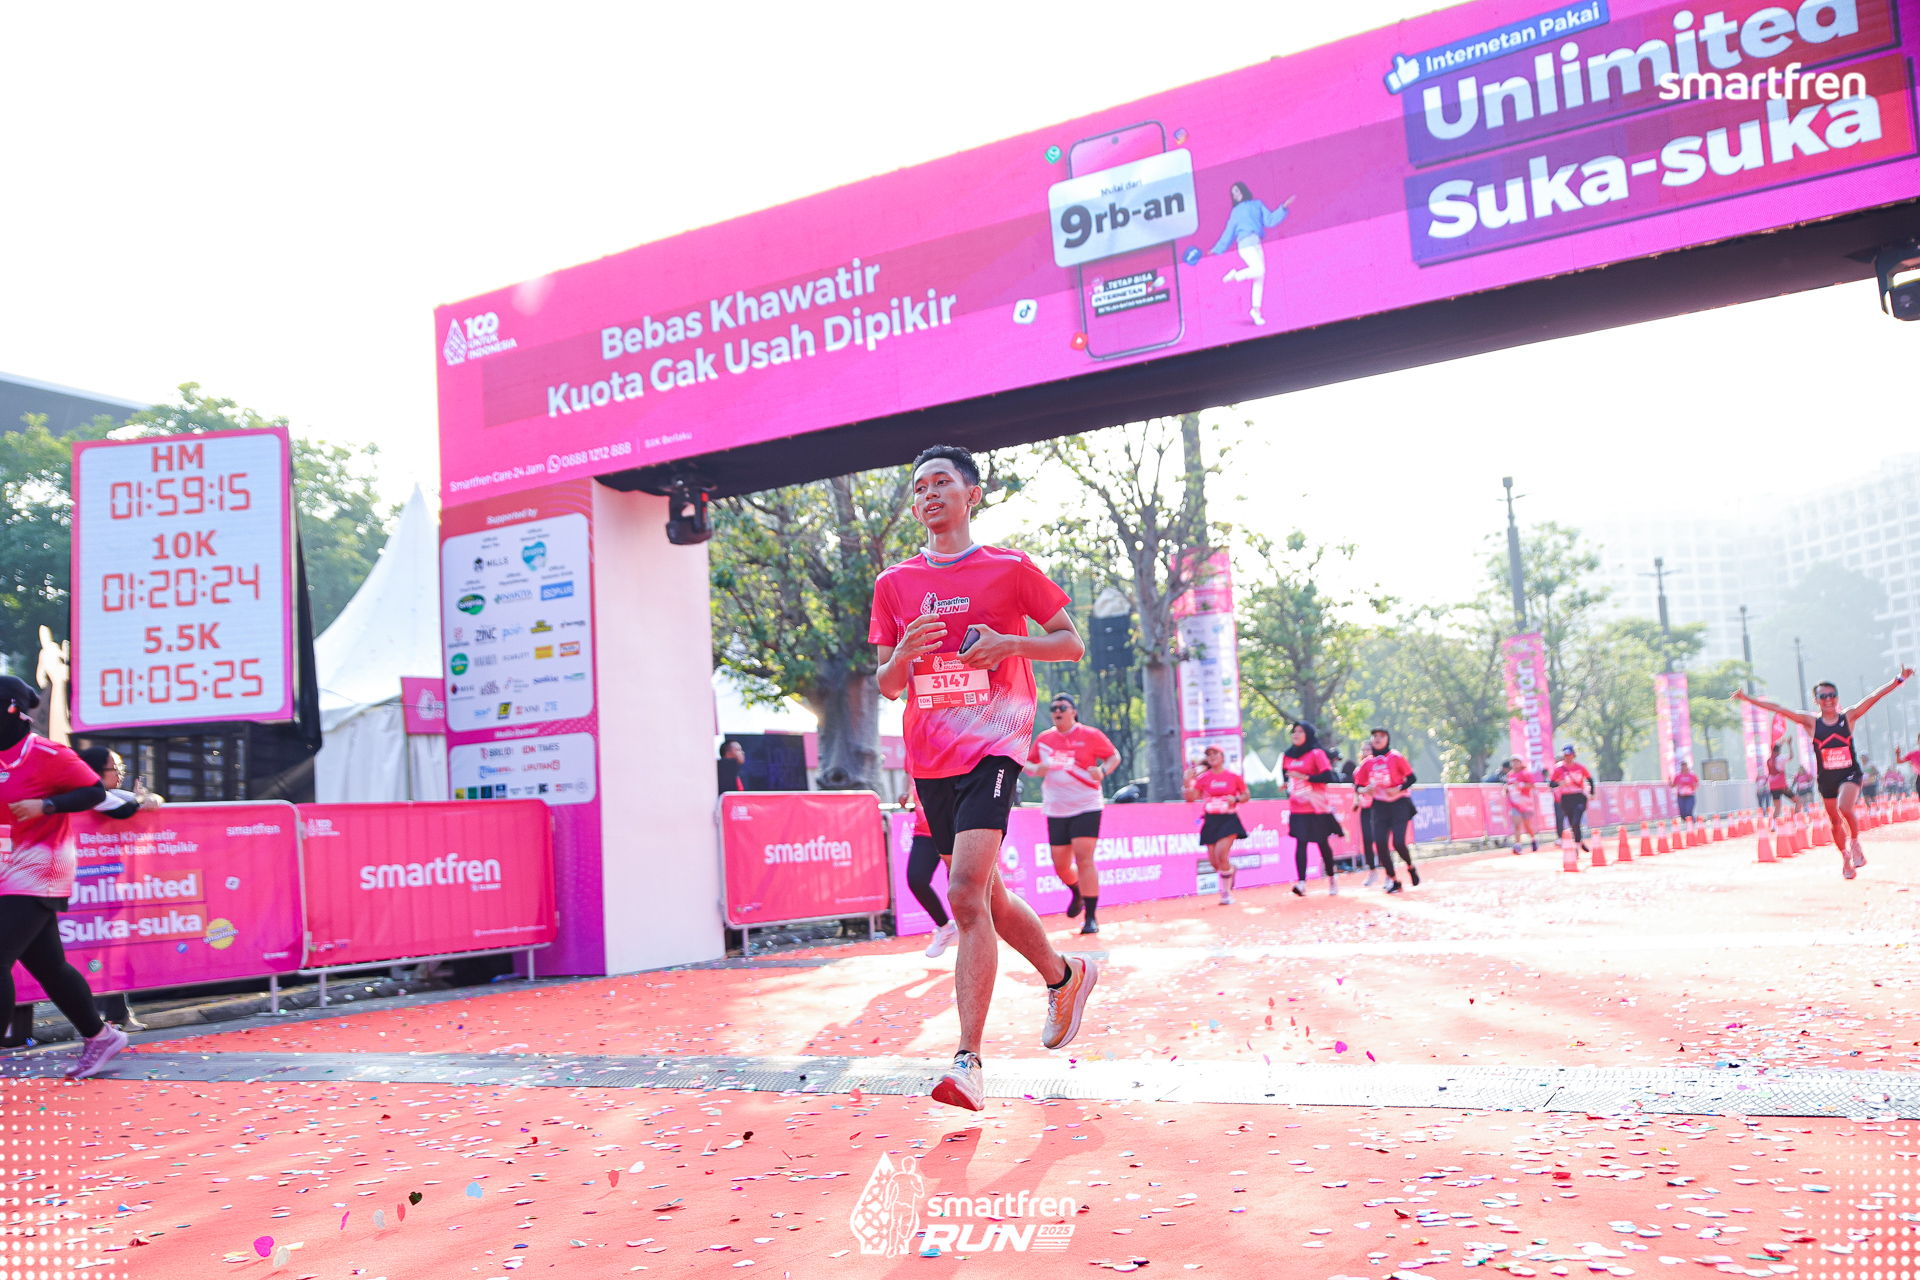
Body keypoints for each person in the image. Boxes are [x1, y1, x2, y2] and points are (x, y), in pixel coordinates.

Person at [870, 444, 1094, 1112]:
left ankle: (967, 1061)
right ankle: (1063, 975)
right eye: (918, 488)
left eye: (941, 483)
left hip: (996, 745)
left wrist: (1010, 644)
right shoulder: (894, 584)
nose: (928, 495)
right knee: (985, 899)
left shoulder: (1010, 568)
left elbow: (1070, 641)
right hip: (929, 757)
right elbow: (887, 684)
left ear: (971, 494)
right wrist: (904, 653)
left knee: (965, 891)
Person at [0, 676, 128, 1078]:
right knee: (49, 966)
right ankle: (100, 1036)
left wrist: (47, 805)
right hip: (5, 867)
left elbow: (94, 791)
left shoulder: (47, 753)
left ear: (12, 710)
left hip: (42, 865)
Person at [1734, 670, 1913, 878]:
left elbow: (1874, 697)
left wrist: (1899, 679)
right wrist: (1747, 699)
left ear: (1837, 697)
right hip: (1827, 777)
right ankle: (1845, 856)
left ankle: (1855, 842)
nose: (1828, 699)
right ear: (1816, 700)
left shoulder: (1848, 716)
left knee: (1844, 807)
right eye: (1823, 696)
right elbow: (1779, 708)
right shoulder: (1811, 722)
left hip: (1849, 773)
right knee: (1835, 821)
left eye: (1832, 695)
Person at [1023, 694, 1121, 936]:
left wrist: (1103, 771)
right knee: (1061, 866)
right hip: (1056, 808)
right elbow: (1025, 763)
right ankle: (1077, 890)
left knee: (1084, 858)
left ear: (1073, 712)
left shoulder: (1090, 735)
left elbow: (1114, 756)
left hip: (1086, 804)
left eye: (1062, 707)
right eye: (1053, 708)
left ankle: (1091, 917)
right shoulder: (1044, 739)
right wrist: (1037, 769)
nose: (1057, 711)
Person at [1209, 182, 1294, 326]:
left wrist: (1283, 208)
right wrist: (1217, 249)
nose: (1236, 195)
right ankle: (1235, 275)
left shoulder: (1257, 204)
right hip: (1245, 244)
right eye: (1233, 194)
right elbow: (1229, 232)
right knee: (1259, 270)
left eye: (1237, 191)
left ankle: (1256, 311)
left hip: (1257, 243)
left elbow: (1269, 220)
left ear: (1243, 190)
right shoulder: (1236, 212)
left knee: (1259, 277)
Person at [1281, 723, 1343, 896]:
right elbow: (1286, 777)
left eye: (1300, 732)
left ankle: (1332, 878)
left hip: (1316, 807)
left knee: (1322, 843)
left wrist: (1305, 777)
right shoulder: (1287, 755)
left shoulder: (1317, 753)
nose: (1296, 734)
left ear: (1308, 734)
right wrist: (1286, 786)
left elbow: (1329, 776)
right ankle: (1301, 883)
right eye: (1294, 732)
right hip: (1297, 807)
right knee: (1300, 843)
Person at [1183, 746, 1250, 905]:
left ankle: (1226, 894)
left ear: (1222, 756)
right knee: (1215, 863)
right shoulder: (1204, 778)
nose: (1212, 757)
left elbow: (1246, 795)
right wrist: (1186, 782)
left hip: (1229, 820)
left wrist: (1236, 799)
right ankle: (1231, 869)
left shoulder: (1233, 776)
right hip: (1211, 820)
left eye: (1215, 754)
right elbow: (1191, 798)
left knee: (1221, 854)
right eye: (1209, 755)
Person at [1352, 728, 1417, 892]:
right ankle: (1394, 880)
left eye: (1382, 736)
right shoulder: (1368, 763)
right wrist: (1364, 790)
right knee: (1380, 843)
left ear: (1387, 739)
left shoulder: (1396, 757)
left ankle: (1410, 866)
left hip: (1399, 803)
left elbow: (1412, 778)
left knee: (1398, 843)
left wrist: (1399, 788)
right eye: (1375, 736)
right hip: (1380, 806)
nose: (1378, 739)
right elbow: (1357, 786)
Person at [900, 785, 957, 960]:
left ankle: (971, 937)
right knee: (916, 879)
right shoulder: (910, 765)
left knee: (959, 888)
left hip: (955, 830)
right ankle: (946, 928)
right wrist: (906, 794)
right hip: (924, 831)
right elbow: (908, 778)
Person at [1549, 743, 1595, 852]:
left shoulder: (1580, 767)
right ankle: (1579, 841)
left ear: (1574, 755)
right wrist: (1560, 784)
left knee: (1576, 820)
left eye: (1569, 755)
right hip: (1566, 798)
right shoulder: (1558, 768)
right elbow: (1551, 784)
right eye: (1565, 755)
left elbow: (1590, 779)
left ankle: (1577, 846)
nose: (1568, 757)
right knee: (1572, 823)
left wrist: (1592, 793)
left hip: (1579, 797)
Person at [1504, 755, 1543, 856]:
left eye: (1517, 761)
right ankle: (1518, 845)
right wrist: (1507, 789)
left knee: (1527, 825)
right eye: (1513, 762)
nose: (1515, 763)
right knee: (1517, 824)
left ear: (1521, 763)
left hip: (1525, 804)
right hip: (1514, 803)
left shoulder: (1526, 773)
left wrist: (1521, 785)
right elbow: (1510, 786)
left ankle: (1533, 839)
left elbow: (1532, 785)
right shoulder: (1510, 775)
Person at [1765, 746, 1792, 819]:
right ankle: (1795, 820)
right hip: (1782, 786)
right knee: (1797, 800)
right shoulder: (1780, 758)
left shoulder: (1769, 760)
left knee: (1777, 807)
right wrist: (1789, 745)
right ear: (1778, 751)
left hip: (1773, 787)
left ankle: (1773, 824)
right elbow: (1791, 756)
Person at [1671, 758, 1700, 826]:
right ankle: (1687, 823)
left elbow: (1697, 783)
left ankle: (1692, 822)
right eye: (1682, 766)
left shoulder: (1692, 775)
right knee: (1682, 812)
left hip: (1690, 796)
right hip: (1681, 796)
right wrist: (1669, 782)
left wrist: (1694, 786)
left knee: (1688, 810)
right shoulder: (1678, 775)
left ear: (1687, 766)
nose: (1684, 768)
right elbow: (1673, 785)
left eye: (1685, 766)